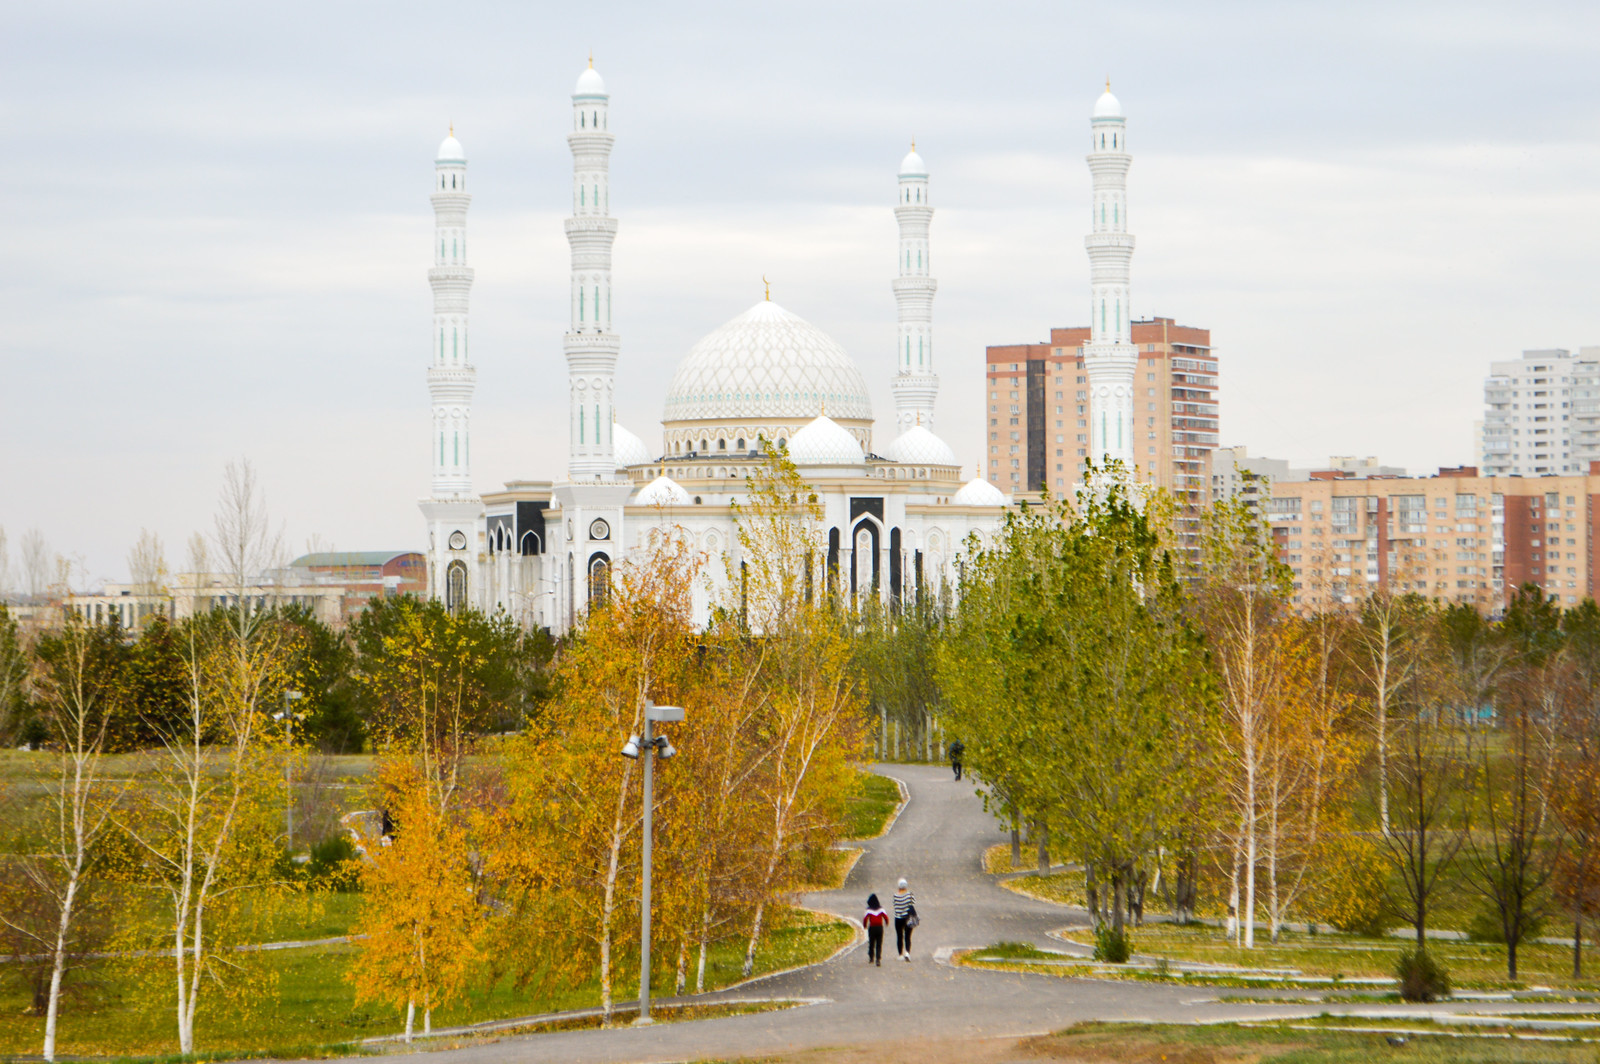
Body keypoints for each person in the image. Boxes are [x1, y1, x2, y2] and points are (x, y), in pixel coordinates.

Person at [893, 878, 917, 961]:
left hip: (898, 918)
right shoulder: (910, 895)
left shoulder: (895, 896)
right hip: (908, 918)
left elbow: (895, 905)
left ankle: (900, 954)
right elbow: (913, 903)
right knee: (907, 936)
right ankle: (907, 953)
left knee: (899, 936)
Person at [862, 893, 889, 966]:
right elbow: (886, 917)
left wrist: (864, 926)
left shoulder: (868, 910)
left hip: (872, 928)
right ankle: (878, 959)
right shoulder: (881, 909)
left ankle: (871, 958)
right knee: (879, 944)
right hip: (880, 928)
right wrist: (886, 923)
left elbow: (865, 919)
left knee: (871, 943)